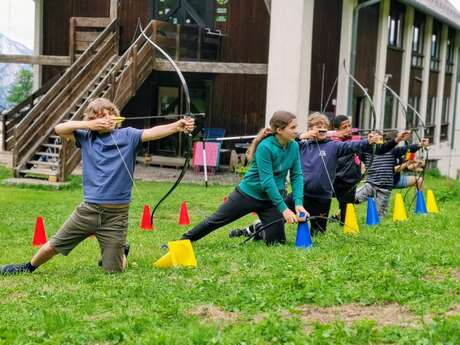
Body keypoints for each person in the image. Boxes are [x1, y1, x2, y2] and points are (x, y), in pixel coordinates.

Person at [1, 97, 195, 275]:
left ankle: (121, 252)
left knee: (114, 271)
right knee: (52, 246)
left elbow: (152, 133)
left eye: (110, 114)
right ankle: (27, 267)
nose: (107, 119)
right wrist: (89, 125)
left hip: (116, 214)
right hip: (88, 210)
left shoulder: (128, 135)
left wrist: (177, 126)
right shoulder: (86, 138)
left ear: (117, 116)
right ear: (93, 121)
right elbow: (60, 128)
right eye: (101, 116)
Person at [231, 113, 409, 237]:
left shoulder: (334, 146)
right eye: (317, 126)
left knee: (318, 234)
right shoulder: (299, 144)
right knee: (274, 220)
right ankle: (248, 231)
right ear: (310, 129)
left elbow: (358, 146)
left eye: (324, 126)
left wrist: (372, 141)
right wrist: (304, 135)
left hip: (322, 198)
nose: (321, 129)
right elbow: (286, 138)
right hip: (300, 196)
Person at [181, 111, 308, 245]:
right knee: (216, 220)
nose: (297, 131)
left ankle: (259, 228)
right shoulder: (265, 147)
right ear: (279, 130)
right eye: (293, 127)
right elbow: (267, 182)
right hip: (248, 194)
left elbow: (297, 175)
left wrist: (298, 203)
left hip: (271, 200)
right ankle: (183, 240)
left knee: (277, 243)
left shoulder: (294, 146)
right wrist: (284, 209)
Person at [355, 132, 429, 217]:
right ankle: (340, 215)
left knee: (379, 216)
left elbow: (408, 149)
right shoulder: (365, 152)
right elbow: (354, 149)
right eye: (373, 139)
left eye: (379, 139)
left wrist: (420, 144)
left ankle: (420, 211)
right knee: (351, 198)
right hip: (370, 185)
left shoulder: (393, 151)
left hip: (385, 187)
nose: (376, 141)